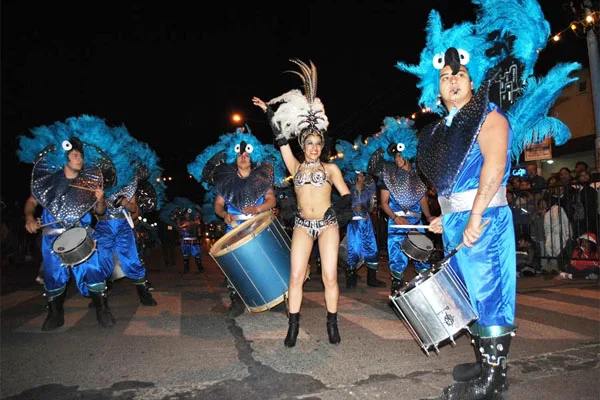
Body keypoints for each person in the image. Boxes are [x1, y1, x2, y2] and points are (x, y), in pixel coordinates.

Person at [252, 58, 352, 347]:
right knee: (295, 277)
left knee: (330, 277)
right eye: (309, 144)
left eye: (318, 144)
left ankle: (332, 324)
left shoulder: (331, 170)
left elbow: (347, 196)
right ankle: (292, 326)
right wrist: (268, 111)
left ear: (322, 146)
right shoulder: (294, 167)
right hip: (302, 226)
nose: (313, 148)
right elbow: (281, 138)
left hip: (327, 225)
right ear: (303, 145)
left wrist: (337, 211)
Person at [19, 135, 115, 330]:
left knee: (93, 271)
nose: (80, 159)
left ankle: (102, 310)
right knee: (53, 276)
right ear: (64, 158)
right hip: (53, 238)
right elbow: (31, 202)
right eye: (75, 155)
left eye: (81, 155)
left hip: (84, 235)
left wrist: (100, 200)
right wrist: (29, 218)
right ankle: (55, 314)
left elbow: (100, 212)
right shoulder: (48, 182)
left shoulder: (88, 183)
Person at [187, 129, 280, 315]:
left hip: (258, 225)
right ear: (234, 157)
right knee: (236, 266)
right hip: (234, 228)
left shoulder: (263, 177)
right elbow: (218, 206)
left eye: (247, 154)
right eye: (239, 154)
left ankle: (273, 298)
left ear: (252, 157)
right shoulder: (226, 182)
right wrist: (224, 215)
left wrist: (258, 209)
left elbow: (271, 200)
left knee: (264, 261)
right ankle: (236, 301)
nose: (243, 156)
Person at [372, 117, 434, 295]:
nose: (397, 159)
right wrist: (395, 217)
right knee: (397, 257)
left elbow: (422, 200)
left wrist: (428, 217)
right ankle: (397, 288)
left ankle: (427, 290)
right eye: (395, 156)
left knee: (421, 255)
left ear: (408, 153)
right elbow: (383, 203)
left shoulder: (418, 175)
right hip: (397, 222)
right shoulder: (388, 175)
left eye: (400, 155)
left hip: (416, 223)